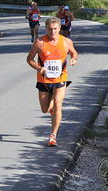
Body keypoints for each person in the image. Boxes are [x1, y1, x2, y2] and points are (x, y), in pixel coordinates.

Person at [26, 17, 78, 147]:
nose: (53, 32)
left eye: (55, 29)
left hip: (60, 78)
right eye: (50, 29)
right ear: (46, 28)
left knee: (58, 104)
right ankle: (52, 110)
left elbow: (74, 53)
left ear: (60, 28)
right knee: (45, 109)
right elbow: (29, 59)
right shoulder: (39, 43)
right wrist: (39, 68)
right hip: (43, 80)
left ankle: (53, 135)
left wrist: (74, 59)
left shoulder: (66, 41)